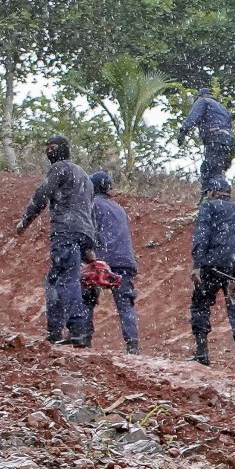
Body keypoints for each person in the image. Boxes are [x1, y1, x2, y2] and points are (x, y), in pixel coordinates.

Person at [15, 135, 96, 344]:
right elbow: (89, 210)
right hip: (82, 231)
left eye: (52, 148)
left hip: (65, 230)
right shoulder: (85, 177)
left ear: (62, 150)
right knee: (55, 280)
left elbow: (43, 193)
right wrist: (90, 244)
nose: (49, 152)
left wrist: (26, 220)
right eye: (48, 148)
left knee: (66, 279)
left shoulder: (60, 168)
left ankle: (77, 329)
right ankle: (54, 331)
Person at [189, 182, 235, 369]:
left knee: (200, 303)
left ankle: (202, 353)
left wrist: (197, 265)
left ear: (212, 192)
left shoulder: (209, 207)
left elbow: (202, 236)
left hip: (213, 264)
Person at [80, 171, 140, 352]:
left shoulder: (91, 205)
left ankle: (84, 337)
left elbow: (89, 231)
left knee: (87, 298)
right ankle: (132, 345)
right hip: (124, 260)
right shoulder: (120, 209)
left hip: (102, 259)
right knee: (125, 304)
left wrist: (87, 255)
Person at [178, 87, 235, 192]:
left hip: (216, 138)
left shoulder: (203, 101)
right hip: (228, 140)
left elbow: (193, 117)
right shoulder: (222, 108)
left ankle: (207, 199)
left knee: (209, 171)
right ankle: (222, 197)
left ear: (200, 95)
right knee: (218, 171)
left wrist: (183, 132)